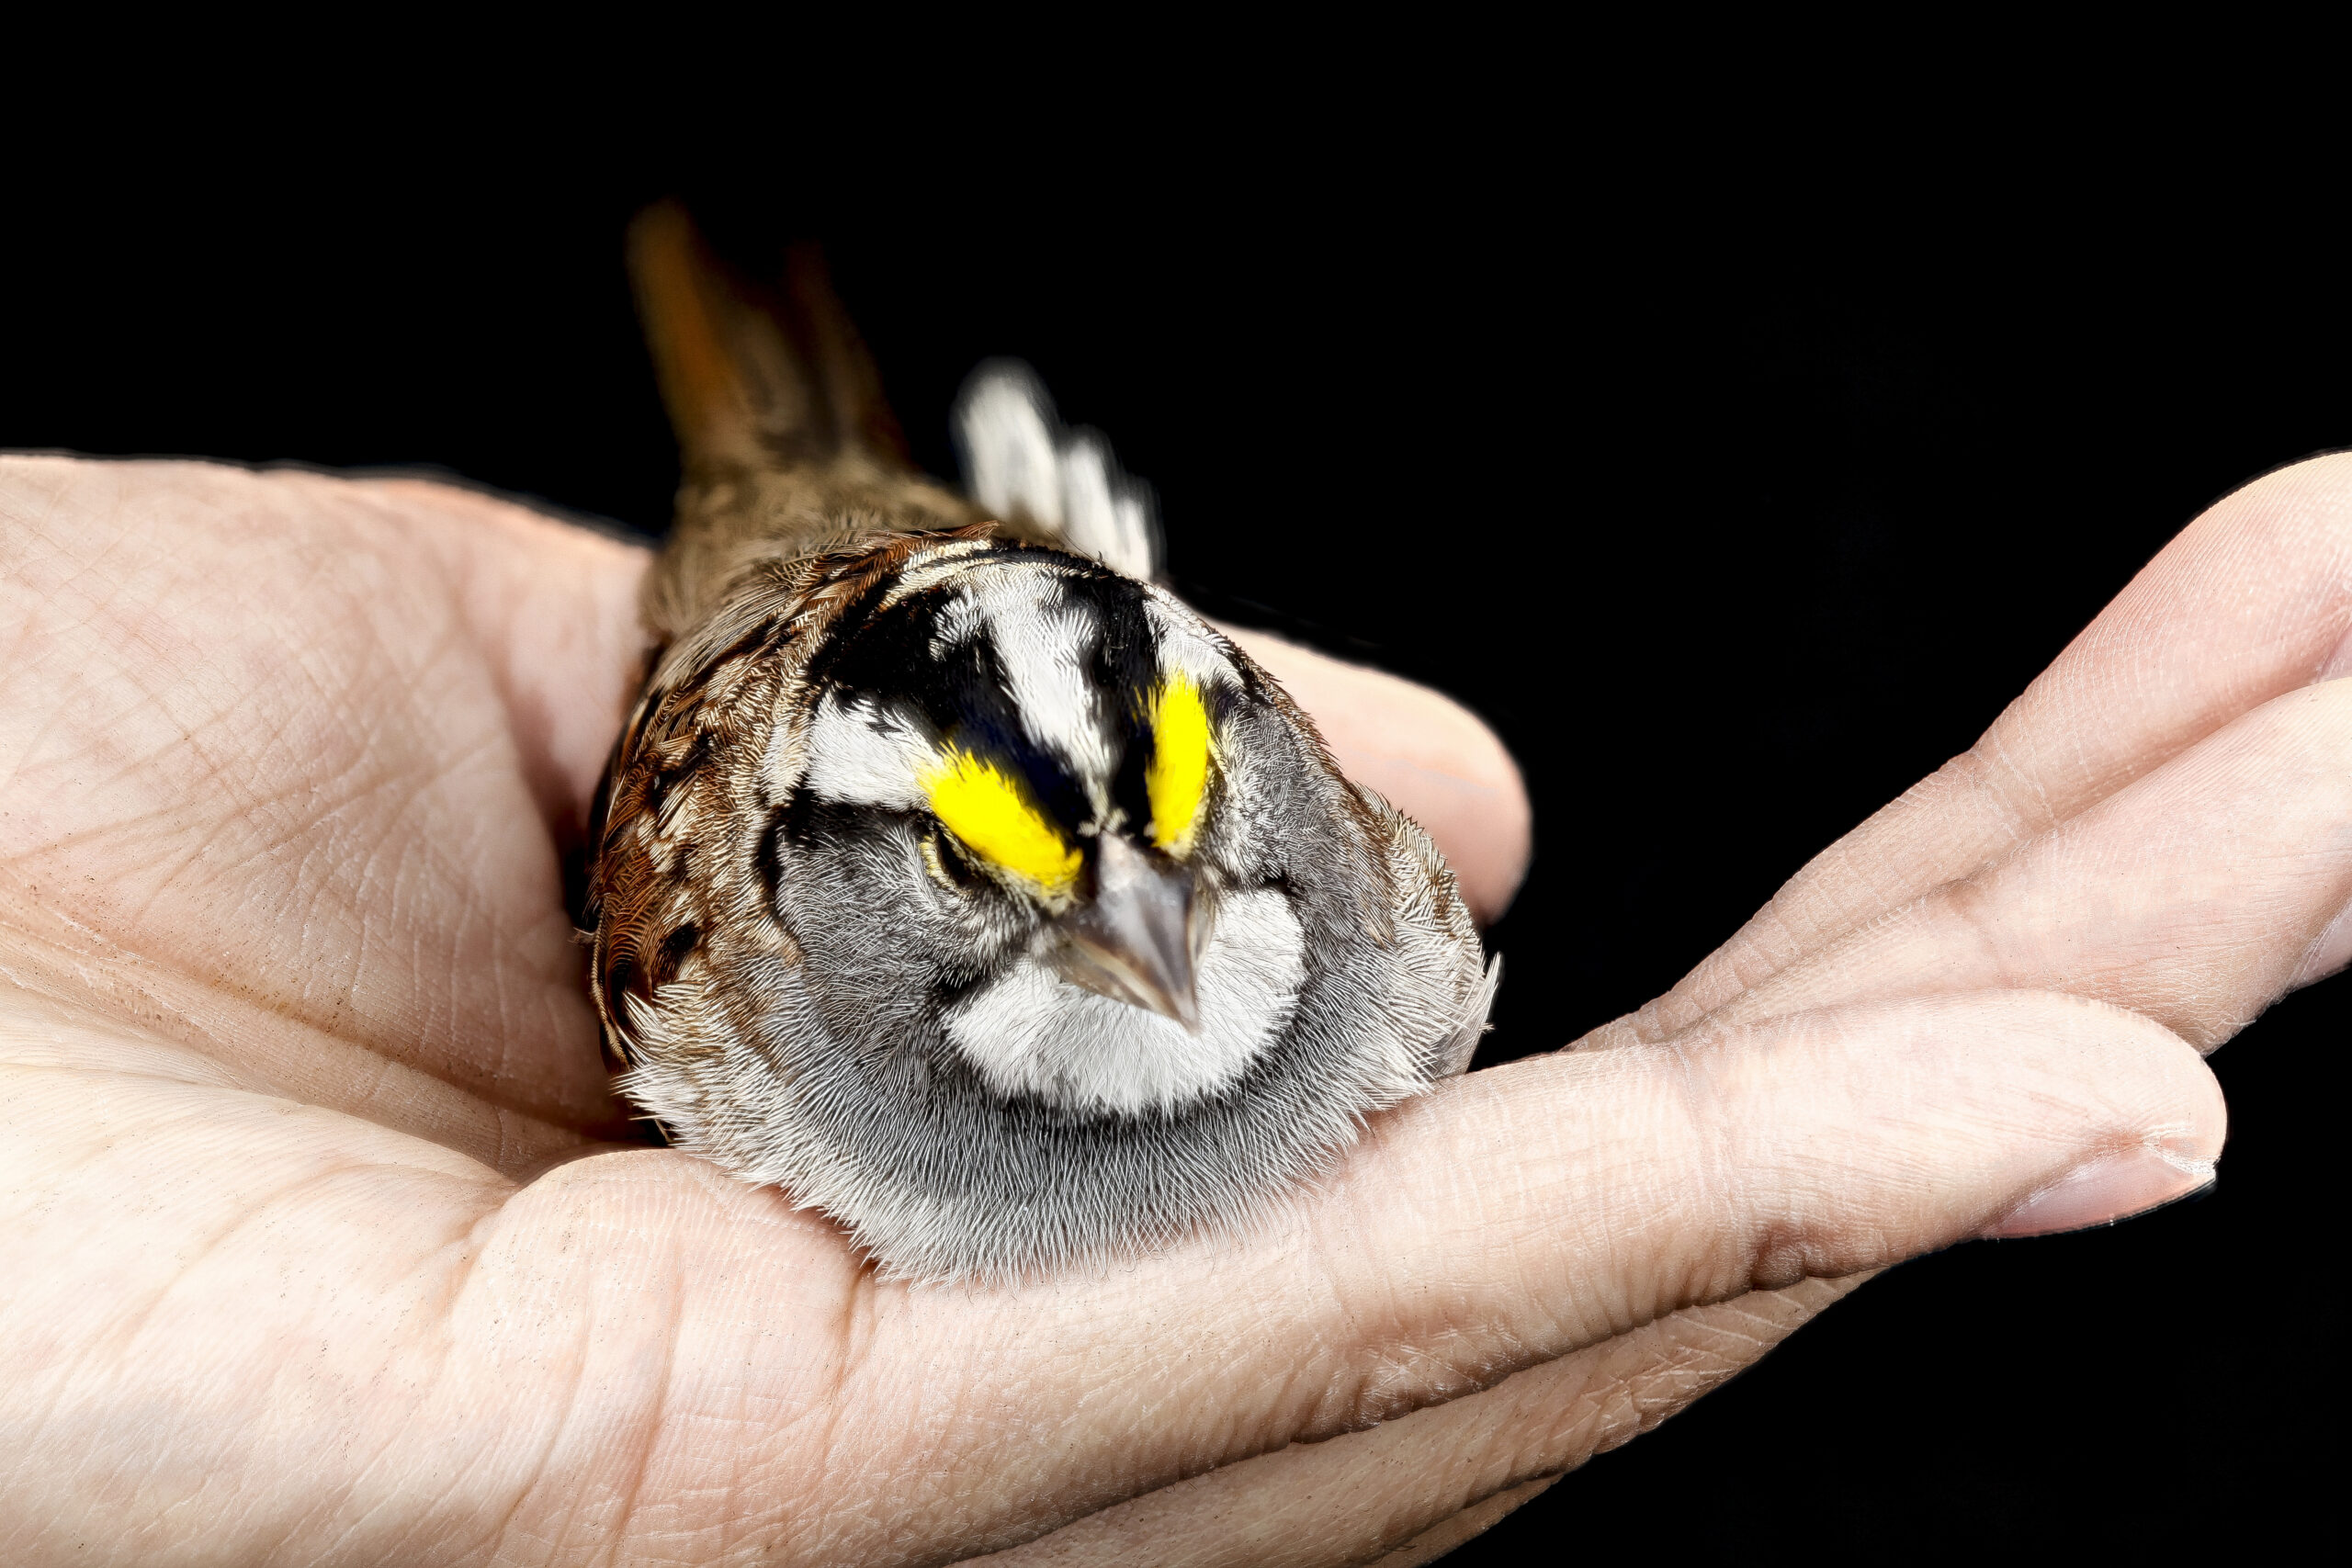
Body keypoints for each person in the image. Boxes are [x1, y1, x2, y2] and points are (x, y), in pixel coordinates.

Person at [0, 450, 2341, 1565]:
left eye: (1191, 842)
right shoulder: (700, 949)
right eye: (982, 874)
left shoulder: (1360, 911)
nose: (1152, 931)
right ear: (804, 889)